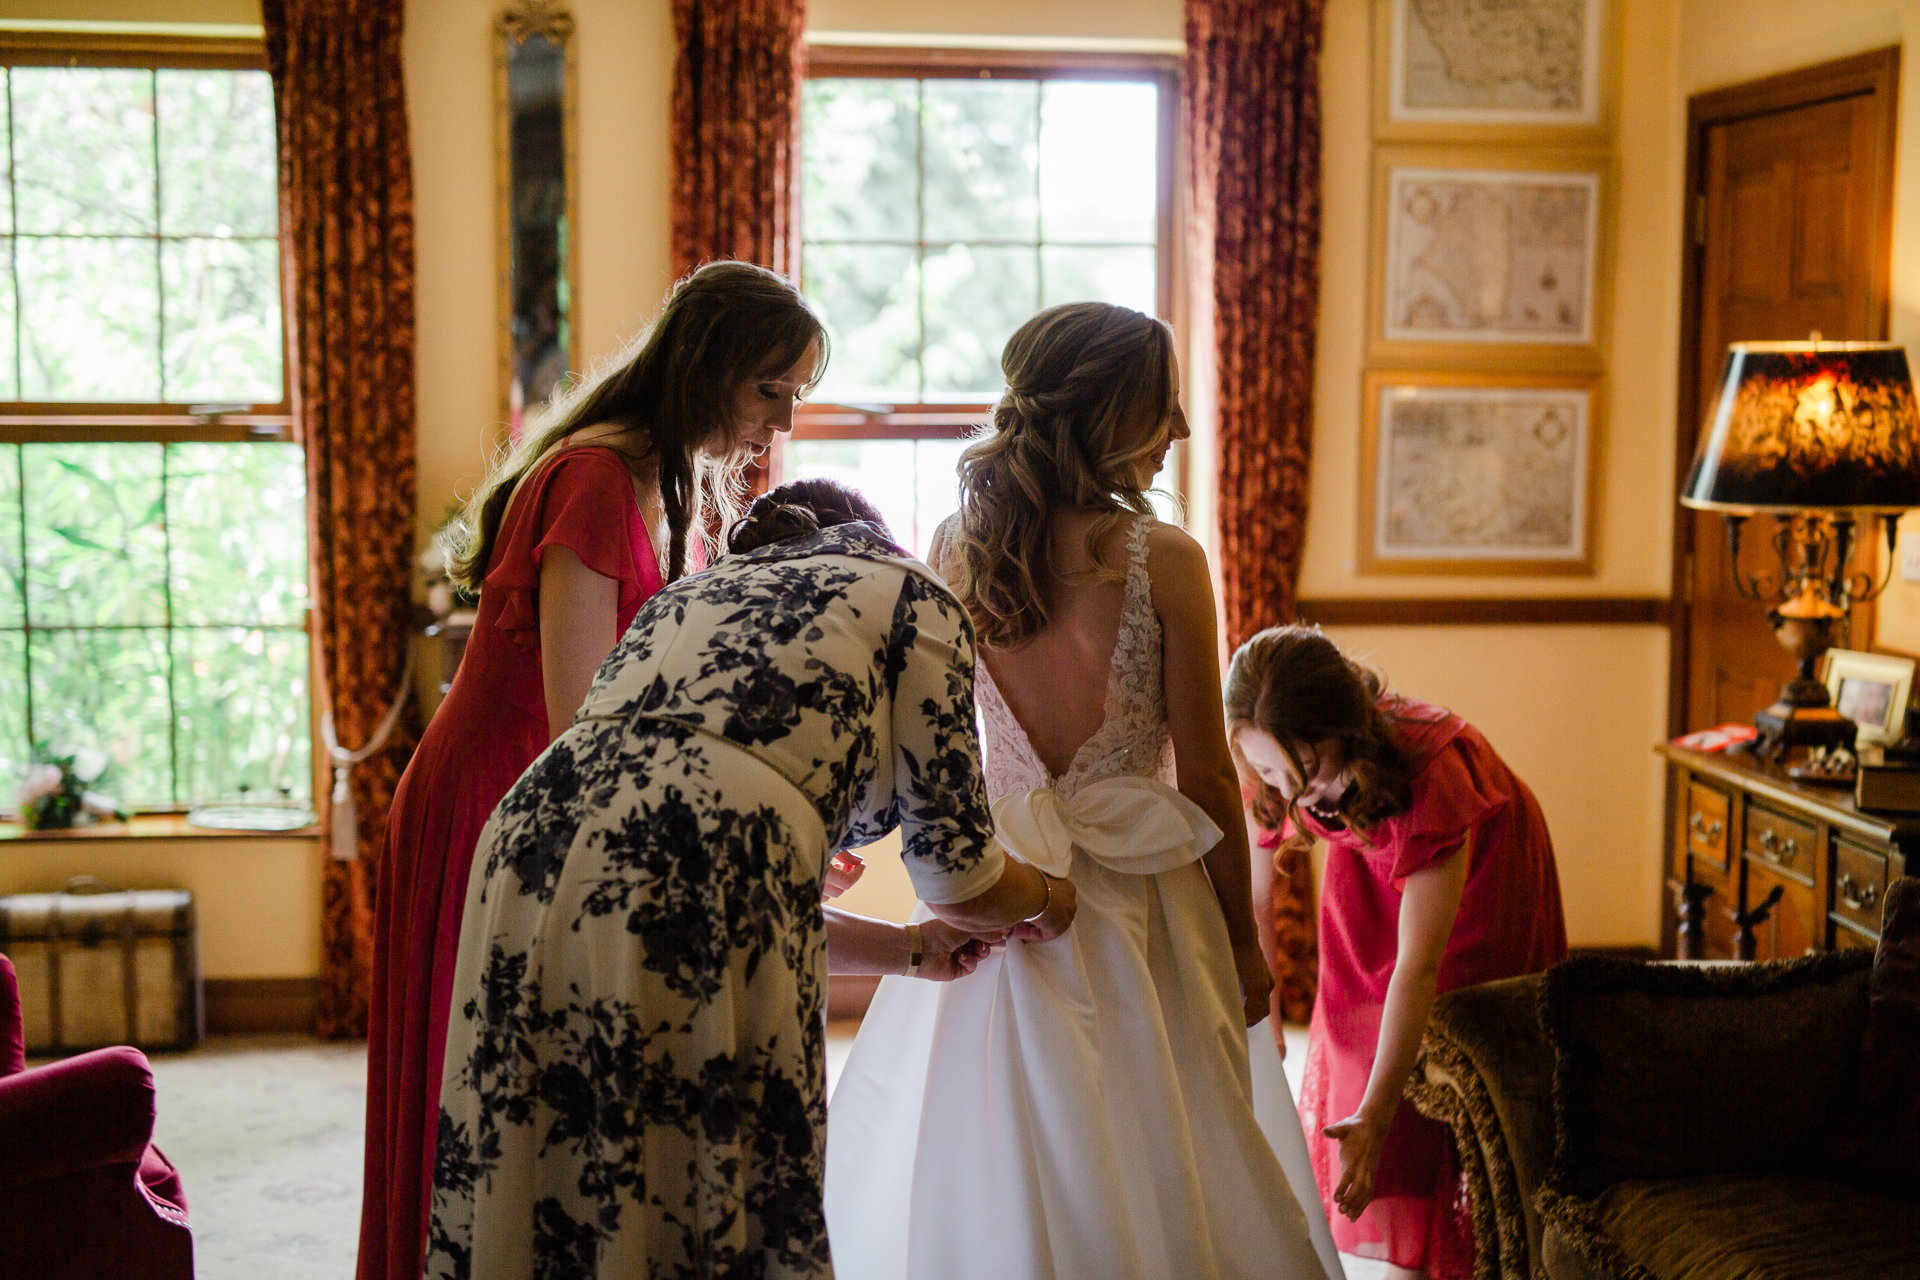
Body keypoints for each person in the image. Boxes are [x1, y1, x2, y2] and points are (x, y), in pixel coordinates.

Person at [425, 479, 1072, 1280]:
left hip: (524, 848)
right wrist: (1050, 896)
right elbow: (959, 876)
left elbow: (739, 904)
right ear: (871, 537)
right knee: (697, 1166)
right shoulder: (912, 594)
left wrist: (912, 951)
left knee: (543, 1150)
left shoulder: (688, 600)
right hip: (686, 859)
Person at [826, 303, 1342, 1280]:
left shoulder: (955, 548)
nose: (1183, 430)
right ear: (1105, 415)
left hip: (1005, 881)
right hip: (1148, 888)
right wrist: (1240, 935)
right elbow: (1202, 773)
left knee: (1012, 1134)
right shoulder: (1169, 560)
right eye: (1162, 406)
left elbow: (949, 753)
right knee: (1169, 1122)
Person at [357, 261, 829, 1280]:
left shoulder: (660, 475)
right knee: (479, 1077)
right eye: (770, 389)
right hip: (498, 793)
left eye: (797, 395)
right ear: (709, 365)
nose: (781, 418)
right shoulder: (595, 477)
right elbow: (584, 712)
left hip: (551, 790)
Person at [1225, 626, 1569, 1280]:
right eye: (1268, 771)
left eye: (1303, 769)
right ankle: (1406, 1237)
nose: (1287, 791)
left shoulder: (1428, 772)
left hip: (1481, 872)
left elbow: (1419, 967)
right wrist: (1264, 1019)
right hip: (1371, 866)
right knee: (1355, 1028)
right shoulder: (1266, 767)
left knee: (1449, 1049)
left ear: (1345, 733)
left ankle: (1466, 1243)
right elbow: (1257, 902)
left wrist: (1378, 1116)